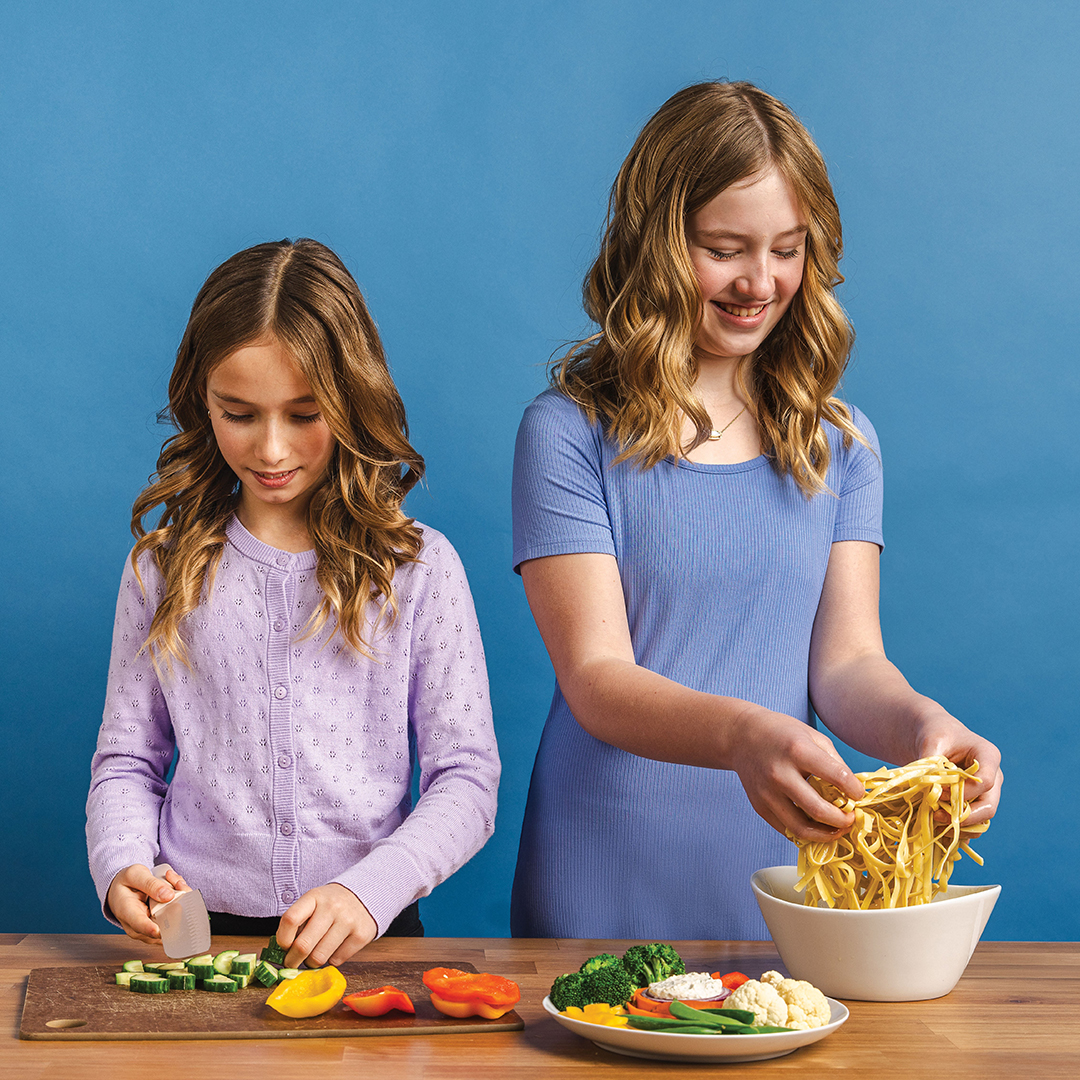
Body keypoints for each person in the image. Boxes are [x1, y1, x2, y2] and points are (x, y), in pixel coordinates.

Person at [510, 82, 1002, 940]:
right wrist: (744, 735)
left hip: (782, 869)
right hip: (603, 859)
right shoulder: (566, 432)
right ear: (657, 246)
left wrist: (926, 726)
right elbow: (598, 680)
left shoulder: (842, 443)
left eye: (787, 248)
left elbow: (847, 667)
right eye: (724, 248)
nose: (759, 282)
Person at [87, 238, 500, 967]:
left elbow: (466, 776)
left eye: (305, 414)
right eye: (239, 414)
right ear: (201, 402)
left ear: (351, 398)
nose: (272, 450)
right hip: (197, 940)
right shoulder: (161, 567)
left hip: (369, 937)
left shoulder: (418, 568)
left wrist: (373, 890)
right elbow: (126, 759)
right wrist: (122, 863)